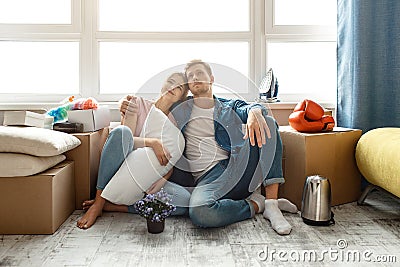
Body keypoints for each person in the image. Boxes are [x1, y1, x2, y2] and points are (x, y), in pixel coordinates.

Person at [170, 59, 298, 235]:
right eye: (190, 76)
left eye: (199, 73)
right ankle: (257, 204)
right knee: (200, 212)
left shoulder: (228, 106)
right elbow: (153, 107)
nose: (195, 77)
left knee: (266, 121)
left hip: (237, 168)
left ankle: (272, 203)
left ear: (212, 78)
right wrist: (126, 103)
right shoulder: (180, 108)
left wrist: (254, 112)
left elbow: (252, 106)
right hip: (208, 178)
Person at [77, 72, 191, 229]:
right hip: (122, 167)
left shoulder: (173, 124)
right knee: (120, 132)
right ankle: (98, 202)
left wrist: (162, 179)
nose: (172, 87)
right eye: (171, 82)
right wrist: (151, 143)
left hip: (147, 177)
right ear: (163, 83)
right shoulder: (138, 103)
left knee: (186, 201)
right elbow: (125, 140)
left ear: (181, 97)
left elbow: (169, 158)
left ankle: (115, 207)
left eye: (179, 87)